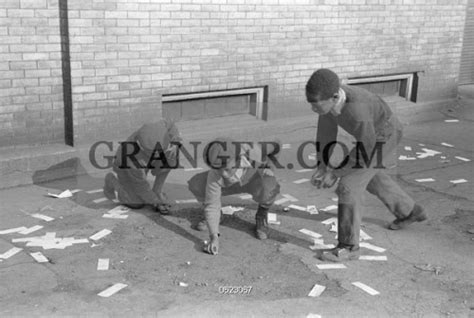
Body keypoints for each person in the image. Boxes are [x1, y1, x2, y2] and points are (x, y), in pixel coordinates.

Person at [306, 68, 427, 262]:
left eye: (317, 106)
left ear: (335, 96)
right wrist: (322, 165)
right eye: (311, 105)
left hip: (384, 136)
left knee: (349, 186)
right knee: (370, 178)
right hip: (370, 138)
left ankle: (349, 247)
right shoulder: (328, 99)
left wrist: (335, 173)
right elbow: (325, 135)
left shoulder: (356, 111)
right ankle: (410, 211)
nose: (314, 110)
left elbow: (366, 149)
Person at [187, 138, 281, 255]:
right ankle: (218, 217)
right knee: (197, 184)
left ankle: (261, 216)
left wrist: (269, 167)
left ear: (238, 159)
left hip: (252, 180)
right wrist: (214, 237)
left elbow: (275, 146)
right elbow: (212, 205)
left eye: (227, 169)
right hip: (231, 185)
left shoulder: (254, 152)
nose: (223, 174)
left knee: (269, 187)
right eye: (218, 170)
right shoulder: (216, 173)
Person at [103, 120, 182, 214]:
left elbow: (170, 125)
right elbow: (141, 185)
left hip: (144, 160)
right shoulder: (130, 156)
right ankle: (112, 179)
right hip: (125, 169)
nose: (159, 156)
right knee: (136, 203)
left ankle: (157, 190)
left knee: (171, 157)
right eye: (154, 154)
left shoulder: (159, 127)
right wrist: (156, 202)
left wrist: (175, 143)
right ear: (142, 147)